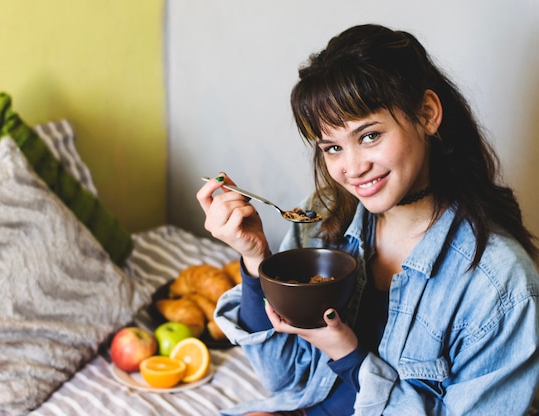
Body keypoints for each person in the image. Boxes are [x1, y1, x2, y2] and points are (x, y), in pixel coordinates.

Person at [196, 24, 539, 415]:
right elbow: (287, 379)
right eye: (332, 147)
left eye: (370, 136)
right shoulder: (322, 217)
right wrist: (257, 261)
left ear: (427, 114)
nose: (352, 168)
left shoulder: (499, 285)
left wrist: (349, 354)